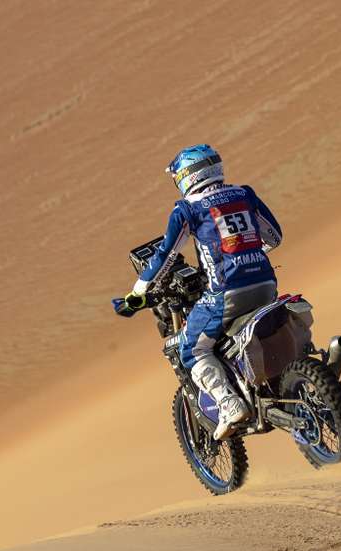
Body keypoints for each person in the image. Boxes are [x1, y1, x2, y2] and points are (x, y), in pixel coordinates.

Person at [123, 144, 283, 440]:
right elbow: (274, 237)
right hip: (266, 284)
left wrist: (138, 291)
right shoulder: (243, 194)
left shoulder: (188, 209)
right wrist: (246, 254)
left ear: (185, 176)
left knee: (192, 349)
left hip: (226, 293)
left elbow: (165, 256)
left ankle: (230, 404)